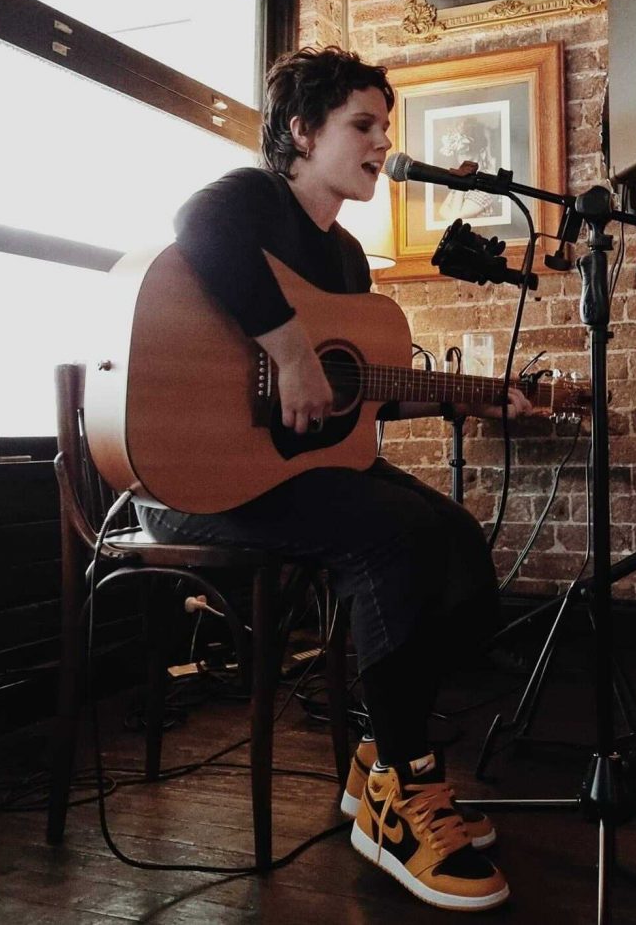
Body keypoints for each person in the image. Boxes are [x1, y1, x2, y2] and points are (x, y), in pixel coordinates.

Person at [134, 46, 531, 911]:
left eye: (384, 127)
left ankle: (384, 764)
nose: (382, 143)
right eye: (362, 125)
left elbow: (350, 404)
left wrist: (472, 399)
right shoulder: (250, 203)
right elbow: (193, 225)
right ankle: (399, 792)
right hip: (197, 484)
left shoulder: (349, 263)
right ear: (300, 132)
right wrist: (284, 345)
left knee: (457, 541)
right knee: (395, 535)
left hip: (291, 476)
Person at [435, 116, 501, 222]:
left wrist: (460, 183)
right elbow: (442, 210)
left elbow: (454, 218)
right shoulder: (463, 178)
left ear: (482, 153)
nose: (465, 164)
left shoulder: (488, 183)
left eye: (469, 157)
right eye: (460, 155)